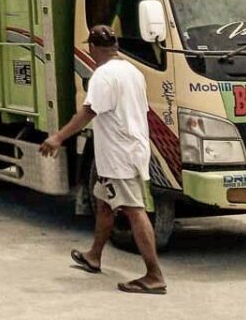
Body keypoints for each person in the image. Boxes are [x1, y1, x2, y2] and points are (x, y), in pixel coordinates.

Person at [40, 25, 167, 295]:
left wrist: (58, 138)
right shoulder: (133, 71)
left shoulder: (103, 75)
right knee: (104, 202)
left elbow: (88, 113)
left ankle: (154, 275)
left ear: (94, 48)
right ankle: (94, 255)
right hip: (126, 150)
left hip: (120, 155)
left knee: (134, 210)